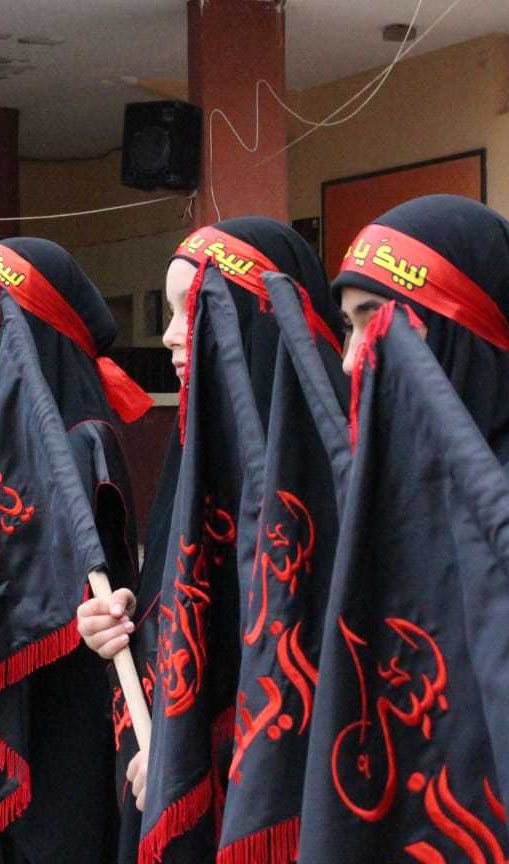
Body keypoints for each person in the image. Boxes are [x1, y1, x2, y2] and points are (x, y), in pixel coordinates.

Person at [75, 218, 346, 856]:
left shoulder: (337, 468)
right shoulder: (192, 456)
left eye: (191, 310)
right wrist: (121, 627)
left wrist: (182, 749)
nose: (170, 334)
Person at [0, 237, 145, 863]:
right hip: (1, 748)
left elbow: (45, 627)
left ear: (33, 328)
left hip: (58, 761)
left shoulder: (78, 449)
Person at [333, 194, 509, 561]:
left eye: (377, 324)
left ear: (460, 335)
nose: (350, 361)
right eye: (348, 327)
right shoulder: (413, 465)